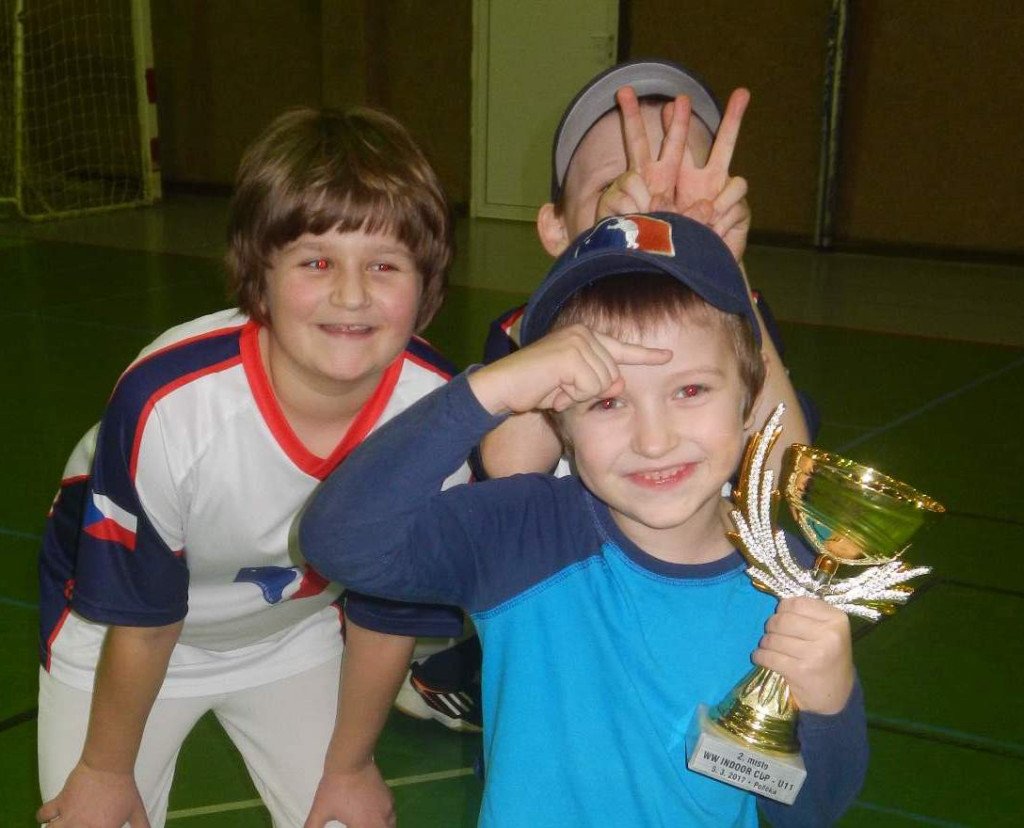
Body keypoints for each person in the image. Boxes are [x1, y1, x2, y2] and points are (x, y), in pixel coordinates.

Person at [299, 212, 867, 826]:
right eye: (607, 401)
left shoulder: (791, 579)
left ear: (752, 402)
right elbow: (340, 541)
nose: (654, 440)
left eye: (691, 390)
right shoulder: (521, 536)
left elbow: (806, 813)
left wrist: (828, 706)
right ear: (558, 421)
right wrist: (487, 393)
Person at [35, 106, 467, 828]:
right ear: (257, 276)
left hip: (290, 637)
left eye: (385, 265)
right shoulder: (170, 405)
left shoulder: (439, 419)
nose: (353, 295)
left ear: (426, 285)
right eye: (316, 262)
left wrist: (351, 767)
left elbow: (389, 612)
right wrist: (105, 772)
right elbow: (140, 621)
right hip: (118, 642)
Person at [399, 58, 816, 732]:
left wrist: (724, 271)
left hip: (685, 630)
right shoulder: (530, 336)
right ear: (555, 229)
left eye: (676, 184)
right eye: (615, 190)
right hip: (561, 646)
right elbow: (511, 465)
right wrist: (601, 255)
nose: (655, 205)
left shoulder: (738, 329)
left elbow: (786, 476)